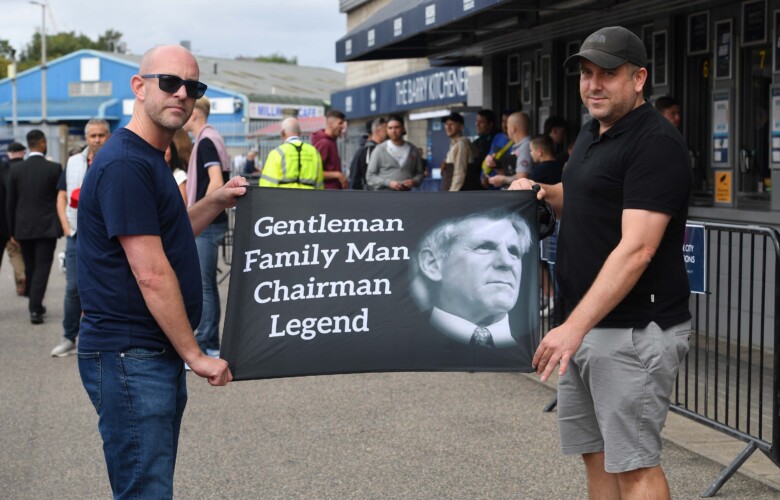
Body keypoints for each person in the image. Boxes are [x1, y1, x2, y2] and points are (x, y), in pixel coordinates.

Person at [511, 26, 692, 499]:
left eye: (608, 74)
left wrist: (572, 328)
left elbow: (638, 249)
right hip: (586, 325)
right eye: (586, 74)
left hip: (631, 331)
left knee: (634, 466)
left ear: (638, 78)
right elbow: (582, 196)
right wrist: (539, 191)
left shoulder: (655, 143)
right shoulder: (593, 131)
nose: (594, 85)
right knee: (596, 455)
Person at [77, 45, 243, 498]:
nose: (182, 94)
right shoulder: (127, 163)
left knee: (150, 484)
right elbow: (150, 271)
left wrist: (215, 200)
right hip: (132, 355)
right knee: (146, 490)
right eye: (170, 82)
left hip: (149, 353)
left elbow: (171, 234)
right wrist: (196, 355)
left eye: (193, 86)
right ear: (139, 86)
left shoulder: (149, 157)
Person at [410, 208, 532, 348]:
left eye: (514, 252)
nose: (507, 262)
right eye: (485, 247)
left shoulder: (537, 345)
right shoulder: (403, 343)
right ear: (432, 265)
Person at [50, 119, 110, 357]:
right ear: (86, 138)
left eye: (101, 135)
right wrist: (66, 228)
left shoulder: (115, 160)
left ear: (108, 136)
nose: (97, 140)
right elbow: (61, 196)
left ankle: (104, 339)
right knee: (73, 288)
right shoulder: (74, 162)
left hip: (107, 235)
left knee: (106, 286)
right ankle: (68, 336)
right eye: (93, 136)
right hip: (76, 234)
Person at [184, 96, 230, 357]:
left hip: (208, 223)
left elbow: (215, 181)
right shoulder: (212, 138)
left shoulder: (205, 142)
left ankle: (206, 343)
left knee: (204, 285)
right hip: (215, 221)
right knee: (207, 284)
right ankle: (210, 341)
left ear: (195, 114)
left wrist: (200, 211)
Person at [7, 129, 63, 325]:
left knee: (30, 266)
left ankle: (35, 303)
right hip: (47, 227)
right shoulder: (54, 168)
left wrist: (11, 230)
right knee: (42, 267)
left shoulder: (16, 170)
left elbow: (10, 202)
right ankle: (35, 308)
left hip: (23, 228)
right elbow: (59, 199)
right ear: (43, 143)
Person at [528, 134, 563, 319]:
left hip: (546, 224)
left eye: (532, 150)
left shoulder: (538, 172)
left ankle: (554, 302)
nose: (531, 154)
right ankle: (557, 304)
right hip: (562, 223)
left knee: (548, 263)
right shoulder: (561, 166)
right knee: (556, 264)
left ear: (540, 151)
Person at [260, 117, 324, 189]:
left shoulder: (276, 153)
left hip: (284, 195)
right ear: (299, 133)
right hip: (309, 195)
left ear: (283, 133)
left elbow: (267, 184)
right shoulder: (314, 152)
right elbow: (319, 183)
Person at [366, 115, 424, 191]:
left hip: (406, 195)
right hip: (384, 195)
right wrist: (388, 183)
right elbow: (370, 177)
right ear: (386, 130)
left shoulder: (413, 150)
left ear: (403, 128)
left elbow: (420, 173)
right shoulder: (379, 150)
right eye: (390, 128)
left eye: (397, 127)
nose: (393, 131)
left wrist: (414, 181)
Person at [0, 142, 27, 296]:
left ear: (9, 153)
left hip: (3, 222)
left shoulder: (4, 169)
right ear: (22, 152)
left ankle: (21, 278)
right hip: (18, 222)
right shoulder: (25, 169)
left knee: (13, 252)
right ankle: (21, 278)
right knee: (17, 253)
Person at [488, 112, 532, 189]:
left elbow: (522, 178)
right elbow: (512, 173)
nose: (507, 130)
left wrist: (503, 179)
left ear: (513, 129)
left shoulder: (525, 147)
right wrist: (495, 165)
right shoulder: (519, 145)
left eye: (507, 127)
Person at [440, 111, 480, 191]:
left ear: (461, 127)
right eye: (446, 124)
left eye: (451, 124)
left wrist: (452, 194)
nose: (448, 127)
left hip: (457, 194)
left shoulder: (461, 144)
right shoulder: (455, 144)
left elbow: (459, 174)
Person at [311, 109, 348, 189]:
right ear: (330, 124)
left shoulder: (331, 141)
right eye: (340, 123)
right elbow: (315, 172)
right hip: (327, 192)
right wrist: (337, 175)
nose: (342, 126)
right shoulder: (324, 143)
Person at [349, 117, 387, 190]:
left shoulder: (374, 149)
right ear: (378, 131)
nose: (388, 132)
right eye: (385, 130)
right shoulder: (368, 151)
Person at [165, 140, 188, 204]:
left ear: (172, 151)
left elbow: (184, 203)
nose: (163, 151)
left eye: (166, 147)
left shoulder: (179, 175)